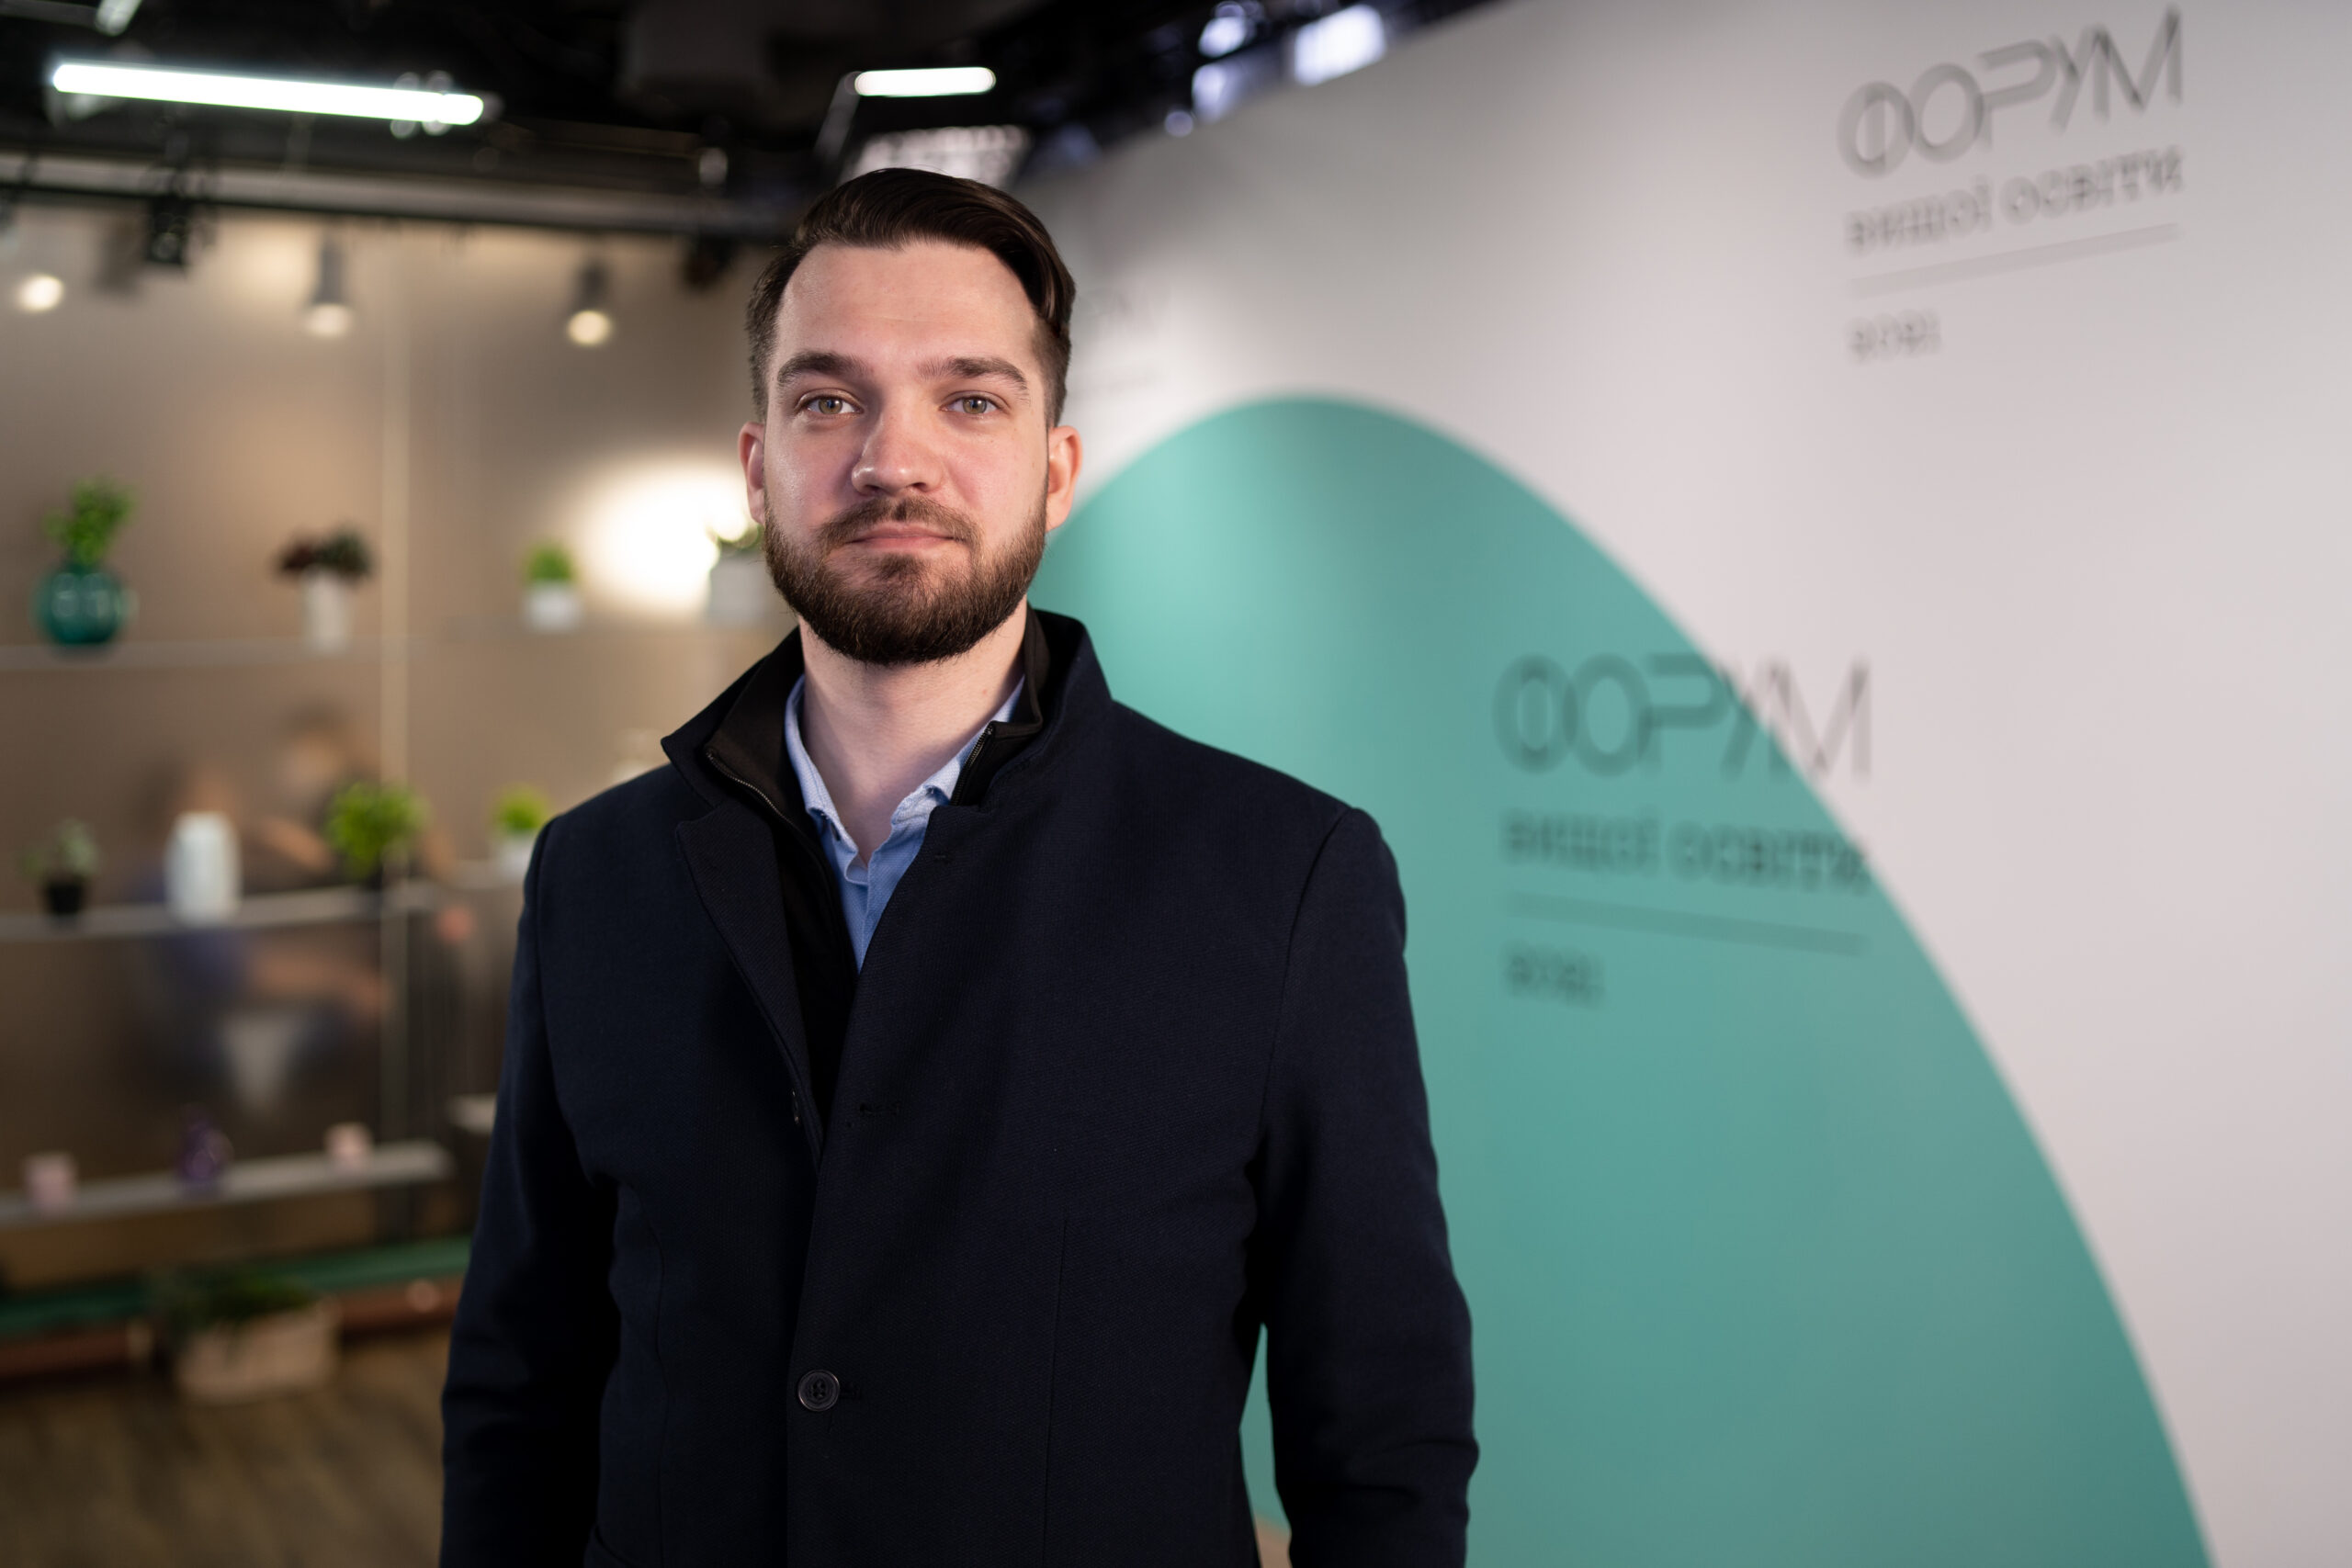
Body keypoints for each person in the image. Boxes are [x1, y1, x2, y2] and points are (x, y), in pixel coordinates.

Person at [440, 168, 1475, 1567]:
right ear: (757, 468)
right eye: (829, 400)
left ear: (1056, 470)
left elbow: (1383, 1434)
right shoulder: (595, 877)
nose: (893, 460)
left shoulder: (1283, 881)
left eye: (970, 400)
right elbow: (523, 1382)